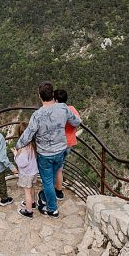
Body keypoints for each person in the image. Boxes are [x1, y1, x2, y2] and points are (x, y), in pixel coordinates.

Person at [16, 81, 81, 217]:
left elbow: (28, 134)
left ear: (40, 97)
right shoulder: (63, 108)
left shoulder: (37, 115)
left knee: (48, 182)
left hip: (45, 154)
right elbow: (76, 122)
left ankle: (52, 209)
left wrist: (18, 146)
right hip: (61, 150)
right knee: (52, 176)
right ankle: (45, 197)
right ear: (52, 94)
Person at [54, 88, 80, 201]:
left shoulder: (57, 112)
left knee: (56, 168)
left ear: (55, 100)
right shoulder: (72, 109)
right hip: (69, 143)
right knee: (60, 167)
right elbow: (77, 122)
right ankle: (58, 190)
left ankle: (58, 192)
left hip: (58, 144)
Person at [12, 116, 39, 218]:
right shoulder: (33, 144)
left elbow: (22, 163)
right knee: (31, 187)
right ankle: (32, 202)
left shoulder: (23, 148)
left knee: (27, 192)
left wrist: (15, 154)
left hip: (26, 173)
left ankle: (29, 211)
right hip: (33, 171)